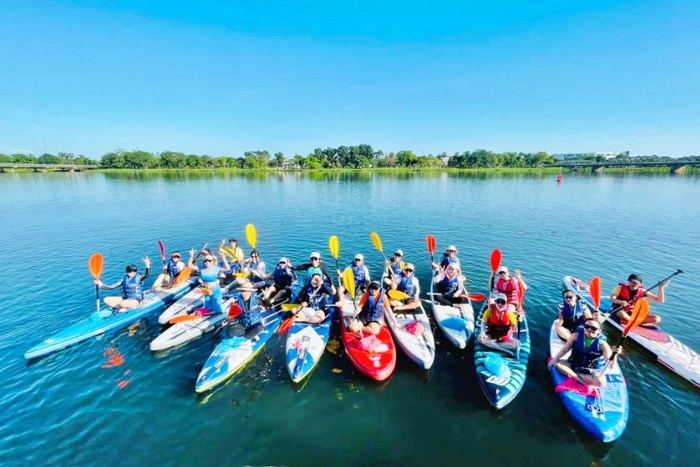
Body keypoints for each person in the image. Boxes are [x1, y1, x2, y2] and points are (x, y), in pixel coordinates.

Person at [548, 318, 621, 387]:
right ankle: (577, 378)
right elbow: (565, 349)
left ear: (599, 331)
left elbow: (611, 366)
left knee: (601, 383)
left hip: (591, 370)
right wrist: (554, 359)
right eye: (587, 326)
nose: (589, 329)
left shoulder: (603, 345)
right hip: (575, 364)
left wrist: (615, 354)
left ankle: (572, 373)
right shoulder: (575, 336)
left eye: (593, 328)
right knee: (556, 364)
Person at [188, 248, 231, 314]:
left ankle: (227, 304)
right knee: (208, 308)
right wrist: (191, 256)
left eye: (209, 260)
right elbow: (190, 266)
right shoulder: (201, 267)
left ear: (213, 262)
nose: (207, 262)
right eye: (205, 261)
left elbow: (228, 268)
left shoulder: (216, 268)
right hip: (207, 290)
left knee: (217, 309)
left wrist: (223, 258)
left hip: (215, 290)